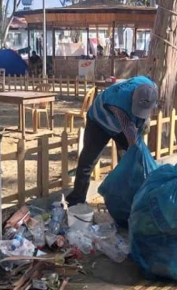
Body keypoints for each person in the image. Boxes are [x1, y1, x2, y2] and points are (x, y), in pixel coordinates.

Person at [66, 76, 158, 206]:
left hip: (124, 124)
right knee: (88, 160)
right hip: (99, 123)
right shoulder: (117, 101)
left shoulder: (152, 88)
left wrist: (145, 121)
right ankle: (76, 200)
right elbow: (129, 132)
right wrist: (136, 151)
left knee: (129, 162)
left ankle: (127, 199)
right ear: (133, 97)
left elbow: (148, 111)